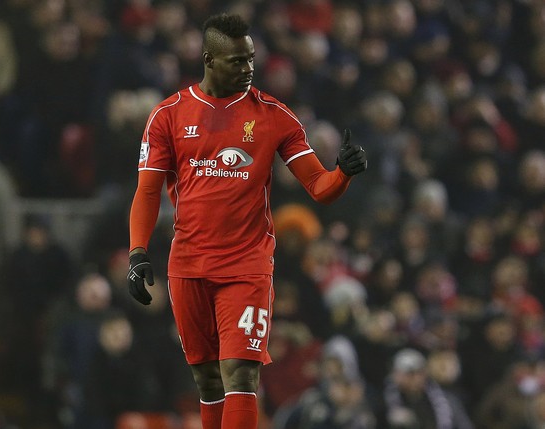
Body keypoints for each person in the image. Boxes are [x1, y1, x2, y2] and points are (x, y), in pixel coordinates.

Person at [127, 13, 367, 429]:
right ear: (209, 59)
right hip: (188, 264)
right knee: (207, 380)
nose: (248, 69)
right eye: (237, 61)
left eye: (251, 59)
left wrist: (342, 173)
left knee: (240, 372)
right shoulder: (168, 115)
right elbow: (147, 192)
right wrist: (137, 251)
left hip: (247, 266)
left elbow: (318, 186)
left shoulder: (274, 115)